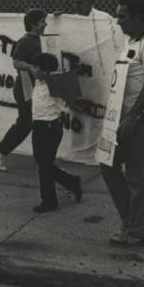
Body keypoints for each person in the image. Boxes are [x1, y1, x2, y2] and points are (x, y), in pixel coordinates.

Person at [101, 0, 144, 247]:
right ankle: (132, 222)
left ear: (138, 17)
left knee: (136, 176)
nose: (118, 21)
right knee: (108, 166)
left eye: (123, 16)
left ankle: (137, 230)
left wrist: (133, 115)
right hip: (121, 117)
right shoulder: (129, 41)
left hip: (138, 119)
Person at [0, 8, 47, 172]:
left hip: (35, 86)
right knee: (25, 122)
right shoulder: (26, 40)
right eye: (42, 21)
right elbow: (16, 62)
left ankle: (41, 158)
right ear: (34, 24)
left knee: (38, 122)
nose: (45, 24)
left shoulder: (39, 39)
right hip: (25, 85)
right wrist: (31, 68)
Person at [29, 52, 83, 213]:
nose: (33, 70)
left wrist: (55, 75)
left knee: (44, 165)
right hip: (39, 125)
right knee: (43, 164)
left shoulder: (55, 83)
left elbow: (70, 95)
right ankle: (72, 182)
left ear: (45, 70)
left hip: (50, 127)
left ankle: (49, 201)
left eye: (36, 67)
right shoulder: (39, 82)